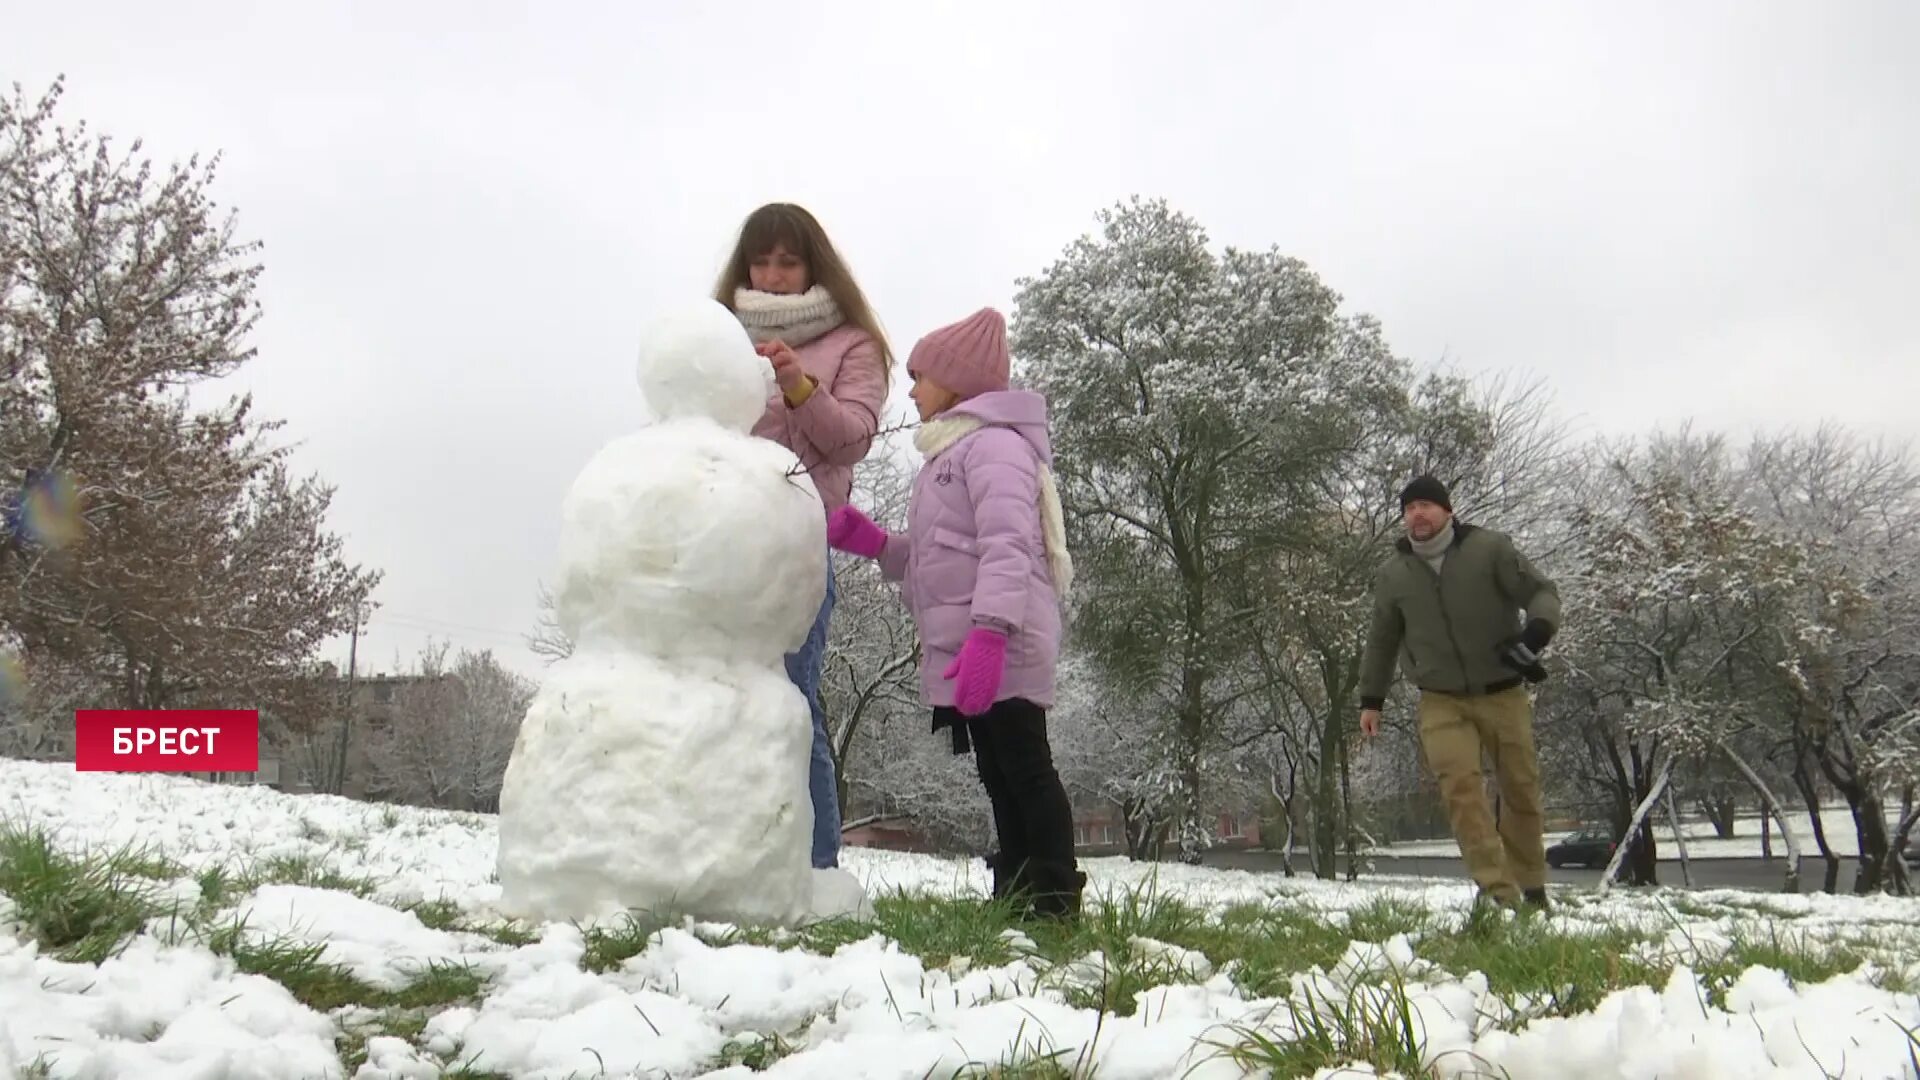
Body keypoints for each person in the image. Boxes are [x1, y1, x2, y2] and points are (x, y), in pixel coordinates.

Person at [824, 308, 1084, 918]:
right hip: (972, 642)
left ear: (960, 381)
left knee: (1026, 766)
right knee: (998, 771)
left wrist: (990, 635)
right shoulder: (951, 453)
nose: (911, 390)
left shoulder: (994, 447)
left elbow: (1007, 546)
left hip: (1002, 640)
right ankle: (1018, 892)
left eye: (919, 376)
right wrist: (880, 546)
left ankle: (1052, 899)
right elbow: (944, 557)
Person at [715, 203, 891, 870]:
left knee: (790, 696)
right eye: (762, 260)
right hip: (720, 538)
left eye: (789, 262)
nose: (773, 274)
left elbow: (851, 440)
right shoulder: (718, 333)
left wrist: (796, 384)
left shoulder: (852, 343)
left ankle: (815, 869)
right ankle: (727, 856)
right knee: (718, 694)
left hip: (795, 540)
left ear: (815, 266)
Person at [1357, 475, 1562, 911]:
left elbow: (1541, 591)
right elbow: (1382, 638)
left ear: (1448, 511)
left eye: (1427, 505)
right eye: (1410, 508)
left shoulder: (1491, 550)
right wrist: (1371, 699)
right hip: (1440, 698)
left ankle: (1532, 888)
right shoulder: (1394, 574)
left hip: (1502, 691)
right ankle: (1497, 892)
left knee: (1520, 789)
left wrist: (1538, 630)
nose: (1418, 514)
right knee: (1461, 789)